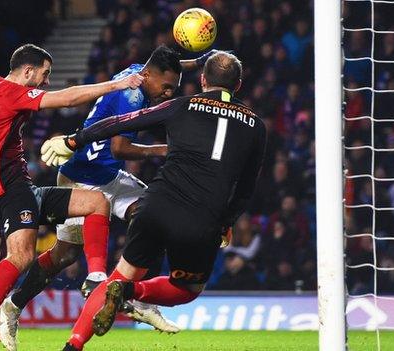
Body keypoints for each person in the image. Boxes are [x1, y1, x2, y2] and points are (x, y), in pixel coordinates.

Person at [40, 51, 267, 350]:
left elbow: (117, 123)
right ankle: (130, 291)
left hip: (155, 205)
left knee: (117, 275)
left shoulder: (180, 105)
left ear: (202, 80)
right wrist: (226, 221)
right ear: (238, 85)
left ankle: (74, 344)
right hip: (202, 219)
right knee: (187, 288)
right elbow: (246, 187)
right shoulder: (257, 127)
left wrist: (73, 141)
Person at [0, 46, 218, 348]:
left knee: (152, 214)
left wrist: (199, 62)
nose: (167, 94)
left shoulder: (138, 73)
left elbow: (166, 62)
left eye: (173, 89)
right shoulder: (131, 96)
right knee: (65, 255)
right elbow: (120, 149)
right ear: (150, 77)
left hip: (108, 176)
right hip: (82, 178)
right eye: (166, 87)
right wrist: (166, 150)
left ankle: (134, 296)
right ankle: (13, 306)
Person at [0, 43, 144, 351]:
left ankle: (96, 277)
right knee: (19, 257)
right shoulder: (10, 92)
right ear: (27, 71)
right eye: (45, 74)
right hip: (10, 191)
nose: (46, 81)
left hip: (18, 188)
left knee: (97, 202)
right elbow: (67, 98)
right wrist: (118, 84)